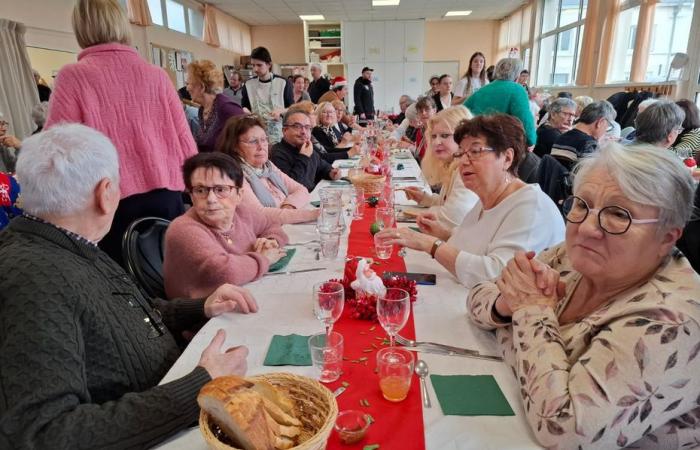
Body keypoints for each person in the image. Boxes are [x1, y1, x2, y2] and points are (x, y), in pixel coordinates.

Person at [0, 123, 255, 449]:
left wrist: (200, 306)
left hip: (173, 394)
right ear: (105, 193)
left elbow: (126, 313)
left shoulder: (68, 241)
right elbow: (44, 434)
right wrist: (200, 385)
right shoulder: (33, 277)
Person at [468, 143, 700, 450]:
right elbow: (478, 296)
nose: (588, 228)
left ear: (667, 237)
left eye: (619, 214)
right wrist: (506, 305)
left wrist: (528, 311)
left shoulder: (674, 321)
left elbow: (565, 430)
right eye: (582, 205)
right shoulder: (574, 257)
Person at [45, 0, 197, 266]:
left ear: (81, 27)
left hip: (110, 203)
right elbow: (185, 141)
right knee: (173, 278)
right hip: (167, 196)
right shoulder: (156, 75)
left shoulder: (75, 76)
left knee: (125, 294)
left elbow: (56, 148)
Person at [377, 114, 564, 288]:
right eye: (462, 153)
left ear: (507, 157)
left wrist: (430, 244)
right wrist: (444, 234)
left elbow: (498, 275)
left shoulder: (530, 206)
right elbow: (473, 246)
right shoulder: (489, 197)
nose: (464, 161)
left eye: (475, 151)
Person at [164, 153, 289, 298]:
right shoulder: (182, 229)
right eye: (200, 190)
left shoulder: (241, 211)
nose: (211, 199)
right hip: (210, 317)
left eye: (220, 190)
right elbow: (224, 273)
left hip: (249, 293)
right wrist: (265, 259)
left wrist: (271, 241)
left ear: (239, 194)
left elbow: (272, 225)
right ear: (191, 197)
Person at [216, 115, 318, 224]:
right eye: (253, 141)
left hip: (286, 225)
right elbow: (260, 214)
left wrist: (289, 206)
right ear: (234, 147)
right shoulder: (233, 174)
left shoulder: (268, 166)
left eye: (264, 140)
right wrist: (314, 214)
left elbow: (301, 190)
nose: (261, 146)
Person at [402, 106, 478, 231]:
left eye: (444, 135)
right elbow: (447, 203)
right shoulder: (453, 165)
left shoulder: (466, 170)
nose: (437, 142)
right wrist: (425, 198)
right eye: (434, 136)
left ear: (465, 137)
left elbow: (452, 218)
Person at [465, 58, 537, 146]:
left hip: (478, 142)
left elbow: (461, 111)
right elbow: (525, 120)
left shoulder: (482, 90)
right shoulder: (517, 90)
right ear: (517, 75)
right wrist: (531, 141)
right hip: (502, 144)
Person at [269, 110, 341, 191]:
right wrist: (304, 157)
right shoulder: (278, 153)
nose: (303, 132)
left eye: (307, 127)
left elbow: (322, 167)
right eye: (297, 126)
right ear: (285, 131)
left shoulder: (306, 146)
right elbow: (293, 187)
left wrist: (331, 173)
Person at [187, 60, 245, 153]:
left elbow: (247, 141)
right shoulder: (202, 110)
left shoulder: (227, 108)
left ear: (202, 87)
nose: (187, 88)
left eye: (189, 83)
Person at [241, 46, 294, 145]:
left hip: (279, 132)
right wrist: (247, 112)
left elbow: (292, 108)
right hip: (256, 131)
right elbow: (244, 106)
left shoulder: (283, 83)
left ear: (269, 64)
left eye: (259, 65)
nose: (255, 69)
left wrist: (281, 111)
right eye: (253, 65)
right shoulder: (248, 85)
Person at [551, 100, 616, 170]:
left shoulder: (561, 137)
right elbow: (592, 176)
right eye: (608, 125)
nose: (606, 130)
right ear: (600, 122)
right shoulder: (588, 144)